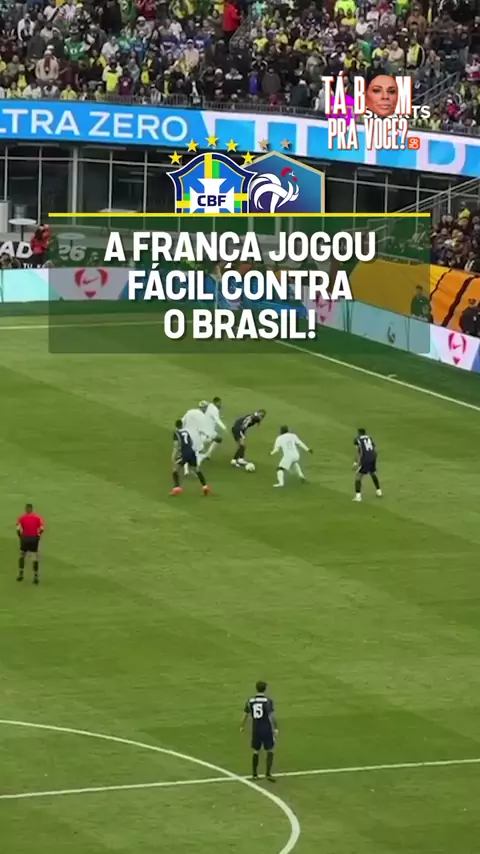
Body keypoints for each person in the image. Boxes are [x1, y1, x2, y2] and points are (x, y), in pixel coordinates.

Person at [241, 680, 277, 782]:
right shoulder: (268, 701)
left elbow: (245, 715)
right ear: (265, 689)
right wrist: (275, 728)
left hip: (256, 728)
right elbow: (271, 716)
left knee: (256, 751)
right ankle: (268, 773)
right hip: (266, 728)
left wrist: (242, 726)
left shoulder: (250, 701)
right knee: (270, 749)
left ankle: (254, 774)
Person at [171, 420, 210, 496]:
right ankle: (205, 487)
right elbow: (191, 442)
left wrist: (173, 455)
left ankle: (176, 489)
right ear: (182, 425)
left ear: (176, 426)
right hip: (192, 452)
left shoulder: (176, 433)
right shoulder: (186, 432)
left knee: (175, 470)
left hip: (184, 453)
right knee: (196, 470)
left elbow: (176, 446)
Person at [16, 503, 44, 584]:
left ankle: (21, 575)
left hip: (25, 539)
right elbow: (42, 528)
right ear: (32, 509)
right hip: (33, 540)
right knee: (35, 558)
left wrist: (20, 537)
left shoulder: (21, 518)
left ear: (26, 509)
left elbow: (18, 529)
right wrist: (38, 535)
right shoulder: (37, 518)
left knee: (22, 556)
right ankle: (35, 577)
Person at [353, 429, 382, 502]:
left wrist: (356, 462)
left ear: (359, 433)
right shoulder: (369, 438)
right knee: (372, 473)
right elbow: (373, 448)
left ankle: (358, 496)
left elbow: (358, 452)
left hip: (365, 458)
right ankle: (379, 491)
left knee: (358, 476)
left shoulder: (357, 439)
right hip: (373, 457)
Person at [197, 397, 226, 465]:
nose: (220, 405)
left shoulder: (208, 409)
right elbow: (216, 420)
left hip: (208, 431)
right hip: (204, 433)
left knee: (218, 439)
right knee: (199, 447)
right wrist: (224, 427)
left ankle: (208, 454)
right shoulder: (211, 410)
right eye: (219, 403)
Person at [182, 405, 209, 475]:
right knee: (198, 452)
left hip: (186, 434)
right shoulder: (203, 416)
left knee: (186, 451)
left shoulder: (190, 411)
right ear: (204, 408)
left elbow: (182, 421)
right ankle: (195, 469)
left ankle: (186, 470)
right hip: (195, 436)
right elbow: (202, 429)